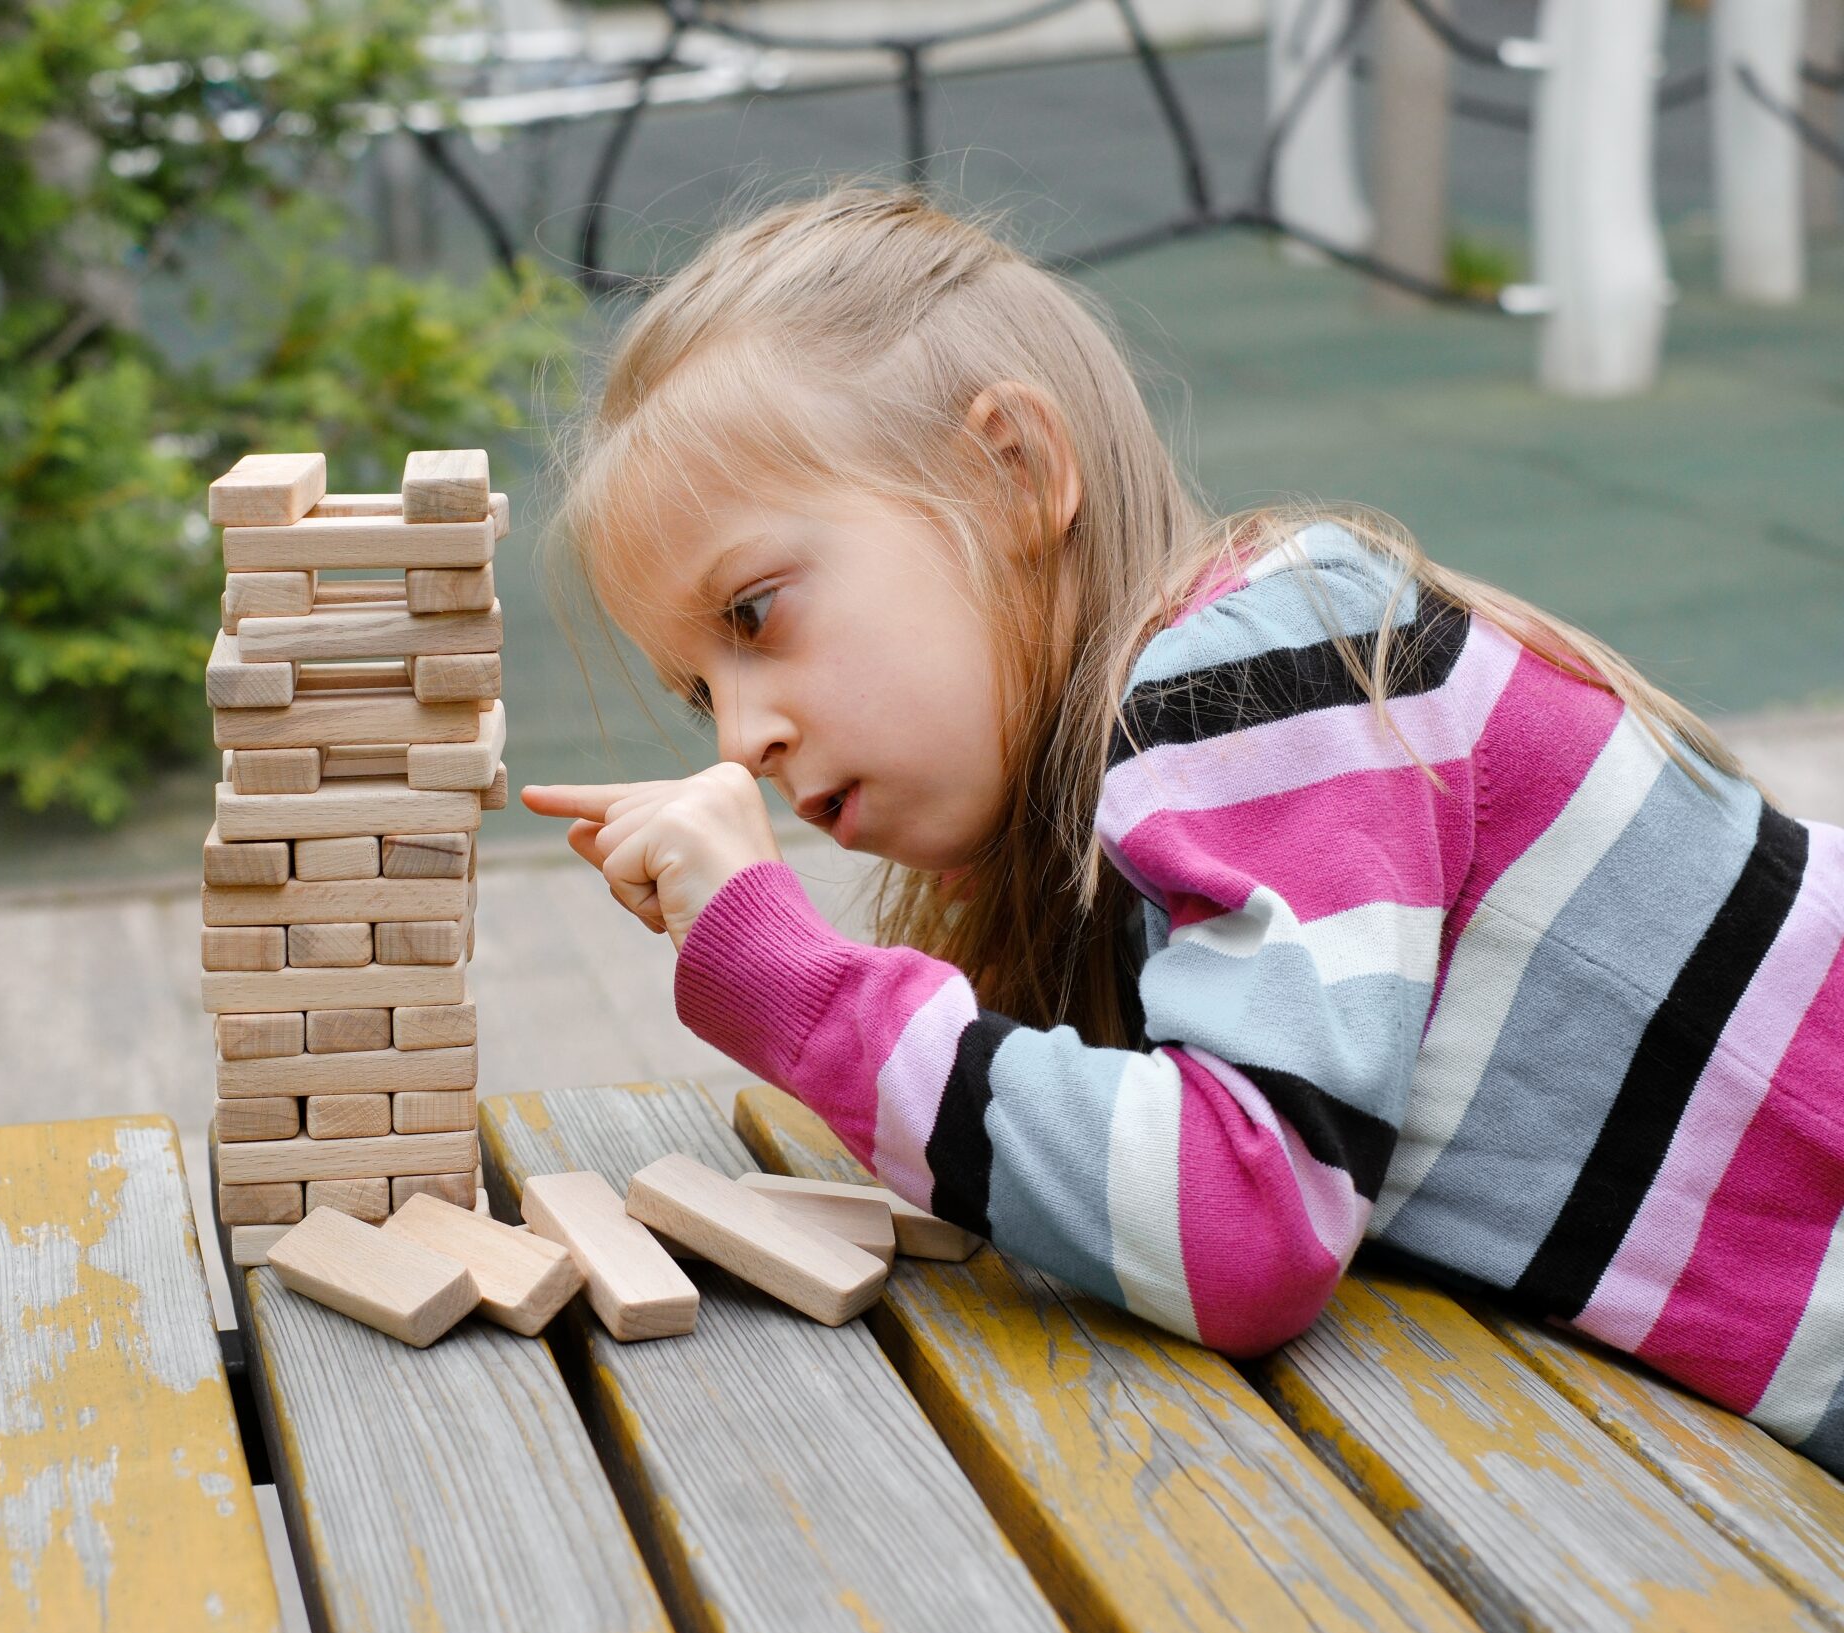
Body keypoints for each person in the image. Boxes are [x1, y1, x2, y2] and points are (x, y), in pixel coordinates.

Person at [520, 184, 1844, 1471]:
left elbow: (1245, 1224)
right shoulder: (1178, 762)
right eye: (699, 690)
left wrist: (804, 993)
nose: (737, 736)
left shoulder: (1263, 668)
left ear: (1014, 474)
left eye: (754, 614)